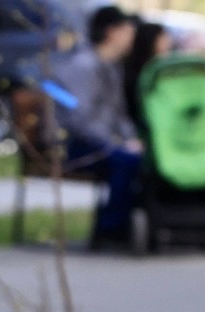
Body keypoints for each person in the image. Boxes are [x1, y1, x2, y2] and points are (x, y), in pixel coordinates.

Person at [47, 5, 144, 249]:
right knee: (125, 160)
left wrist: (131, 138)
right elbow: (80, 120)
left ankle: (130, 224)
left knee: (141, 158)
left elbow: (118, 115)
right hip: (74, 145)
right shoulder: (84, 66)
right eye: (128, 30)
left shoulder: (111, 66)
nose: (133, 36)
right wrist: (119, 143)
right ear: (112, 32)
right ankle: (109, 229)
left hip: (100, 142)